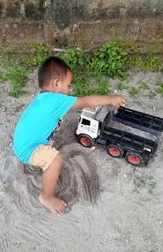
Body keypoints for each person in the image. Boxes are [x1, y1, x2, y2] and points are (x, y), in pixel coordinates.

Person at [13, 57, 126, 214]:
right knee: (55, 160)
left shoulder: (44, 98)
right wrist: (109, 99)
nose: (70, 90)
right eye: (68, 85)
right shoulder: (56, 100)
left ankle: (42, 154)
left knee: (48, 147)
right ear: (57, 84)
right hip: (27, 149)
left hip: (23, 141)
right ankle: (47, 196)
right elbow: (85, 102)